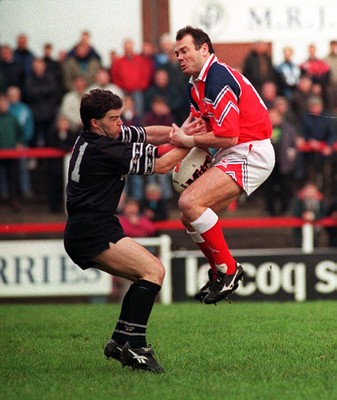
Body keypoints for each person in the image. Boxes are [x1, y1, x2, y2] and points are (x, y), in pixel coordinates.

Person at [63, 89, 197, 373]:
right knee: (153, 271)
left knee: (146, 275)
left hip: (92, 226)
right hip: (91, 229)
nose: (120, 123)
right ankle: (134, 346)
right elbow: (161, 165)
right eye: (114, 118)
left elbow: (148, 133)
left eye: (120, 116)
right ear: (95, 123)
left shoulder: (102, 135)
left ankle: (121, 341)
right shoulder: (104, 150)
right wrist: (195, 142)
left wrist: (181, 131)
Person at [170, 26, 275, 305]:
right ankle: (220, 272)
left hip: (250, 150)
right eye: (176, 53)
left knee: (190, 202)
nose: (179, 57)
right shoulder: (197, 85)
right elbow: (192, 134)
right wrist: (169, 150)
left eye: (185, 51)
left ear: (204, 49)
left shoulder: (217, 77)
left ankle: (228, 269)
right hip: (235, 150)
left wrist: (186, 139)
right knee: (188, 213)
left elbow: (228, 135)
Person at [0, 92, 24, 210]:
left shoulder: (13, 119)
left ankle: (13, 200)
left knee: (13, 178)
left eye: (5, 103)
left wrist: (19, 143)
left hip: (12, 153)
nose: (3, 105)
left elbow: (21, 133)